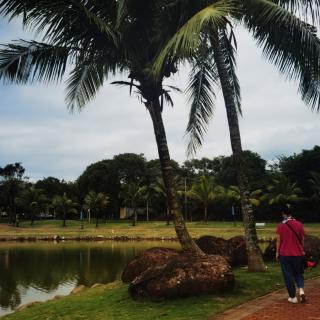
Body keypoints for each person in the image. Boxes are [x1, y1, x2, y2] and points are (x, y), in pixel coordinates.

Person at [276, 205, 306, 304]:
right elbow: (302, 239)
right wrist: (302, 250)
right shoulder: (299, 224)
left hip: (285, 254)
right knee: (298, 273)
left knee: (288, 275)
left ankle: (293, 297)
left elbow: (278, 241)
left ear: (283, 214)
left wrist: (277, 252)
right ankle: (301, 290)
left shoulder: (280, 226)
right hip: (298, 254)